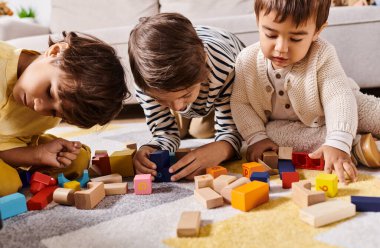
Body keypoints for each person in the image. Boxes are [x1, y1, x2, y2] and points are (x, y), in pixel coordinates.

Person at [231, 0, 380, 184]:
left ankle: (342, 139)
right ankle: (356, 146)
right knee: (273, 137)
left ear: (317, 31)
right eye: (270, 34)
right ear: (257, 21)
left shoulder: (322, 54)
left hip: (342, 105)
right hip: (291, 126)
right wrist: (256, 137)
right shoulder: (246, 61)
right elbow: (240, 103)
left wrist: (338, 138)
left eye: (295, 39)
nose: (281, 48)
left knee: (370, 113)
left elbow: (338, 98)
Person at [0, 31, 128, 196]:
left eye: (54, 112)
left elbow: (7, 146)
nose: (39, 108)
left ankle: (29, 177)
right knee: (7, 184)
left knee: (76, 159)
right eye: (50, 92)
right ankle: (19, 177)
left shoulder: (46, 117)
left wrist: (38, 155)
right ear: (55, 52)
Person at [128, 13, 245, 181]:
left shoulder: (227, 68)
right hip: (202, 88)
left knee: (202, 131)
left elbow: (232, 131)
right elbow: (164, 132)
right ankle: (191, 109)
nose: (177, 107)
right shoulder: (144, 82)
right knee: (183, 125)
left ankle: (199, 113)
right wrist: (151, 147)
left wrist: (222, 148)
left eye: (186, 94)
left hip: (223, 85)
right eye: (161, 100)